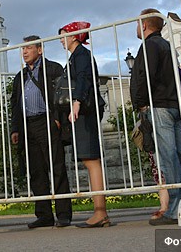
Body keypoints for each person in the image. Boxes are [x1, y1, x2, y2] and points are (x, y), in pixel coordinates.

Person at [129, 9, 181, 225]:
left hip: (159, 105)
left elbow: (146, 76)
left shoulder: (150, 46)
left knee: (168, 157)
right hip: (173, 104)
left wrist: (141, 103)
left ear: (145, 25)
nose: (136, 28)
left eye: (138, 24)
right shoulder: (165, 45)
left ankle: (175, 210)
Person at [10, 35, 72, 229]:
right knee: (36, 172)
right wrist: (15, 128)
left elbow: (63, 95)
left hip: (48, 122)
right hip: (28, 126)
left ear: (40, 49)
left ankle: (63, 214)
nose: (25, 52)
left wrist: (58, 120)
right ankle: (44, 215)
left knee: (57, 168)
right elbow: (15, 104)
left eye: (28, 48)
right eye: (23, 49)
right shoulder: (20, 76)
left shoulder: (53, 69)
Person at [59, 21, 110, 228]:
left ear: (73, 36)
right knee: (89, 159)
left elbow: (83, 79)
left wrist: (77, 101)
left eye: (63, 36)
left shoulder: (81, 55)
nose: (61, 40)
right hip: (84, 110)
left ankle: (100, 211)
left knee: (91, 159)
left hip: (85, 110)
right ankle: (100, 211)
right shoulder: (78, 55)